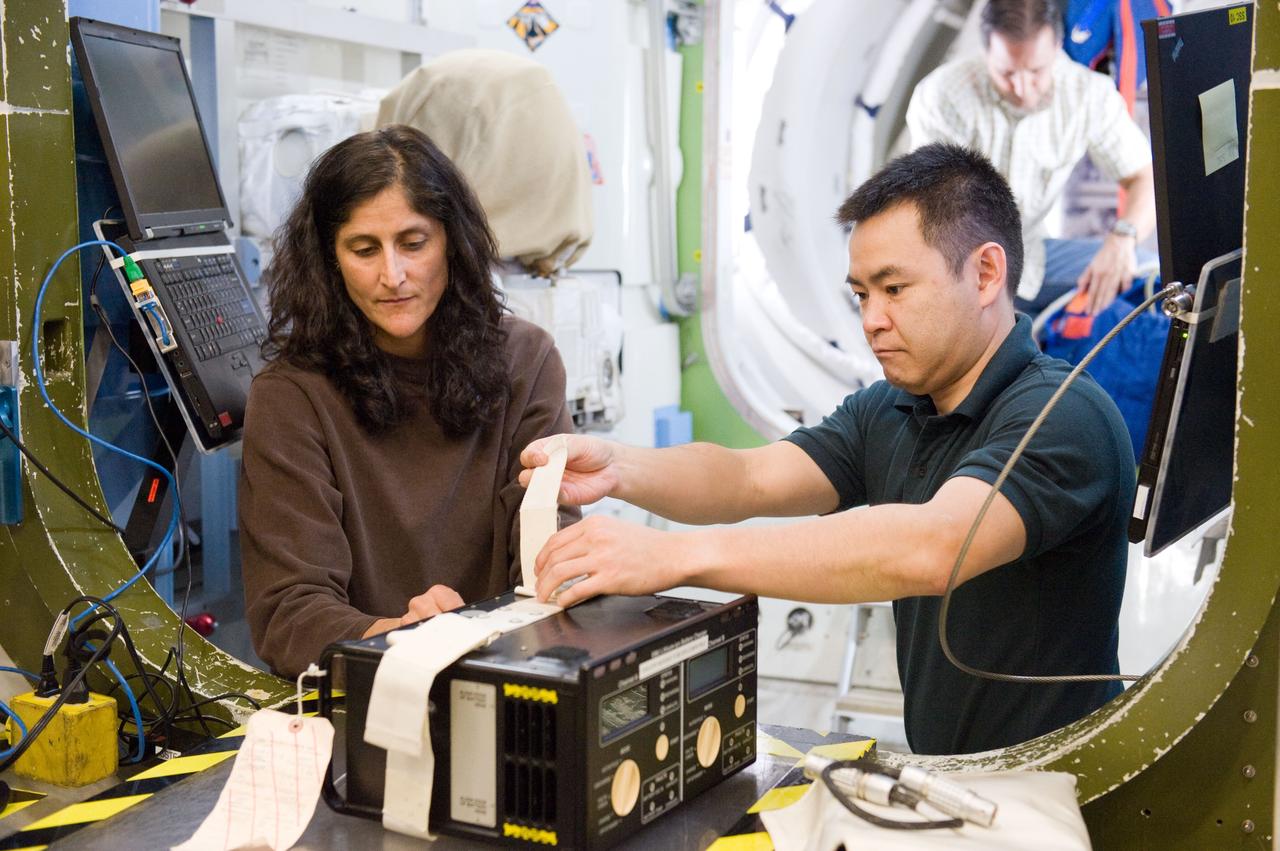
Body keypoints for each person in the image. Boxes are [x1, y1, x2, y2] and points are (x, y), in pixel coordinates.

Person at [521, 144, 1135, 755]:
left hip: (1059, 791)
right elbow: (750, 479)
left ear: (985, 274)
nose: (871, 319)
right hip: (956, 776)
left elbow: (936, 546)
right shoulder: (890, 408)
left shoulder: (1064, 417)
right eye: (862, 295)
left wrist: (672, 555)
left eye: (893, 288)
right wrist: (618, 466)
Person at [239, 125, 579, 678]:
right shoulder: (291, 396)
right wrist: (401, 638)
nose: (391, 276)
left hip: (511, 676)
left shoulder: (528, 362)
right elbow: (287, 613)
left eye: (413, 243)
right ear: (329, 260)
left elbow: (552, 554)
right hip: (367, 691)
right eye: (363, 249)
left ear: (452, 241)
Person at [906, 0, 1156, 316]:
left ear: (1056, 48)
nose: (1023, 89)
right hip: (957, 263)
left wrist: (1123, 241)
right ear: (986, 53)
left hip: (1031, 255)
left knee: (1151, 276)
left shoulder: (1088, 95)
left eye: (1036, 71)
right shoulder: (943, 96)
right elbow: (936, 214)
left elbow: (1144, 177)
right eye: (1007, 73)